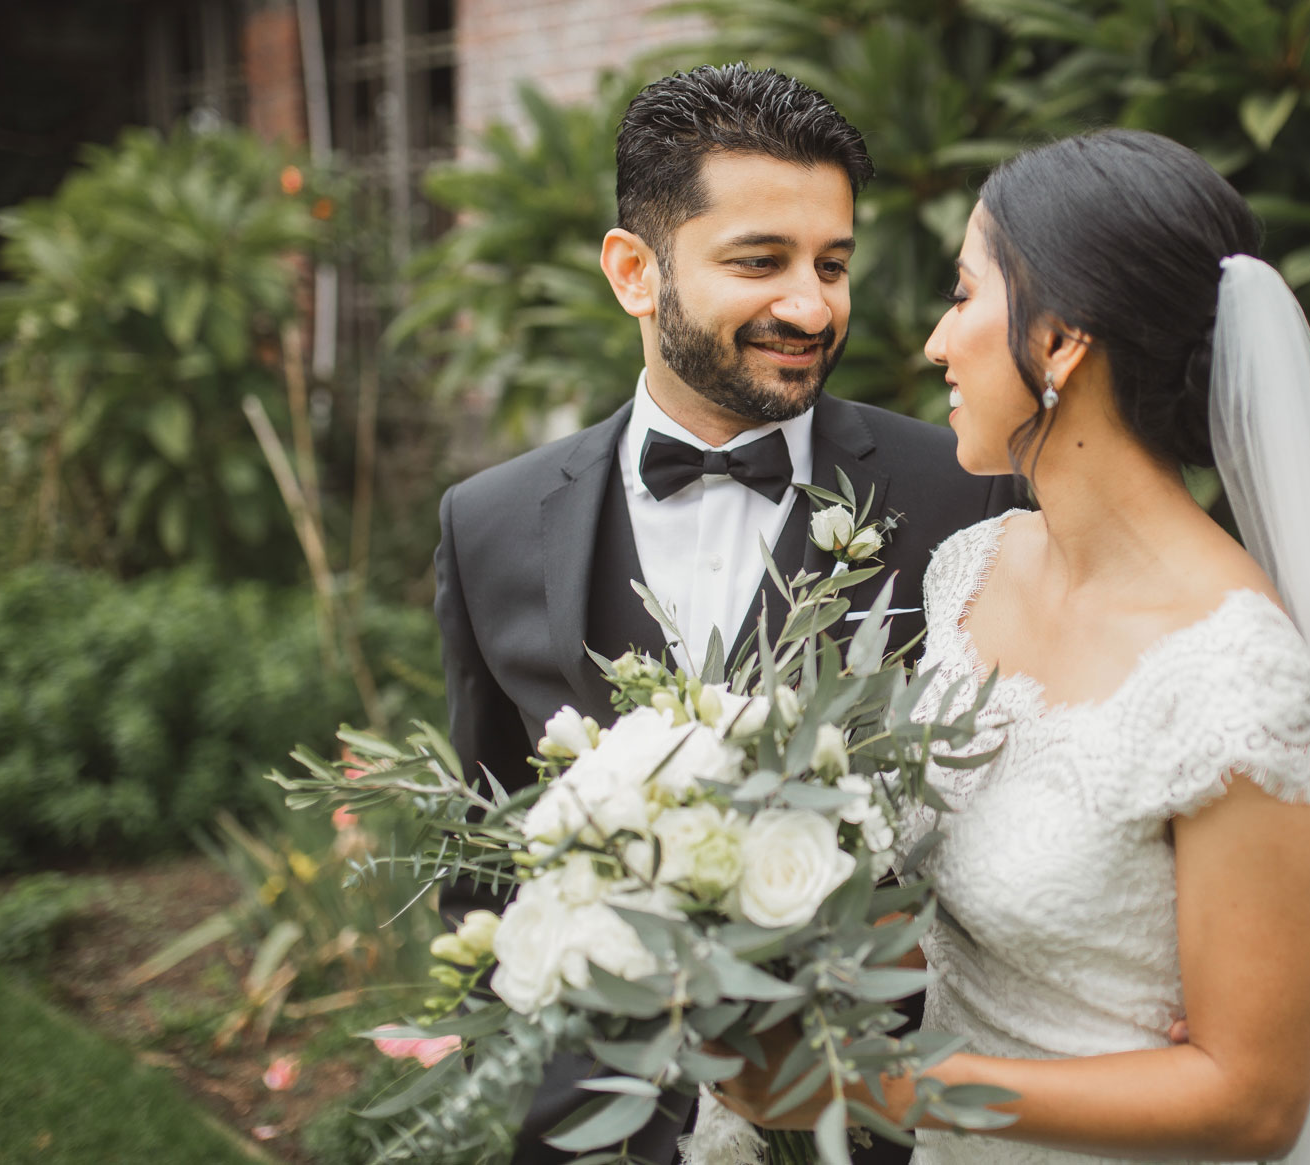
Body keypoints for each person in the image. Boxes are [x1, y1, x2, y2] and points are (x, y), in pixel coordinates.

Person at [709, 129, 1310, 1164]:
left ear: (1057, 341)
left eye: (963, 296)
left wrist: (878, 1083)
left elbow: (1252, 1103)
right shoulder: (969, 570)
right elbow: (928, 893)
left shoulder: (1236, 671)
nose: (934, 341)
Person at [431, 64, 1017, 1165]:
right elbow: (486, 855)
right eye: (760, 261)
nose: (811, 306)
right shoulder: (489, 524)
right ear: (633, 272)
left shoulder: (962, 493)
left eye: (831, 265)